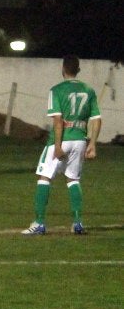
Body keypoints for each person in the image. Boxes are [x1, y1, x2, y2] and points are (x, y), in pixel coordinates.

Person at [22, 55, 101, 236]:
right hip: (80, 140)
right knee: (73, 179)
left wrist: (57, 146)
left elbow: (58, 121)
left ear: (63, 69)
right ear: (78, 70)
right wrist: (93, 144)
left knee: (44, 177)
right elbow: (97, 120)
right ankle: (78, 223)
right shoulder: (89, 90)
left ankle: (39, 223)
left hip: (62, 139)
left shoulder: (56, 90)